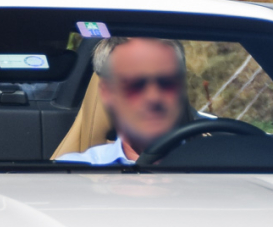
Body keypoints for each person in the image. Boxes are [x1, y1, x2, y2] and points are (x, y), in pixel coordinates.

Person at [55, 36, 190, 165]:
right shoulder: (74, 171)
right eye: (136, 84)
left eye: (166, 82)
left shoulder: (208, 162)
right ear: (107, 93)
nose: (153, 97)